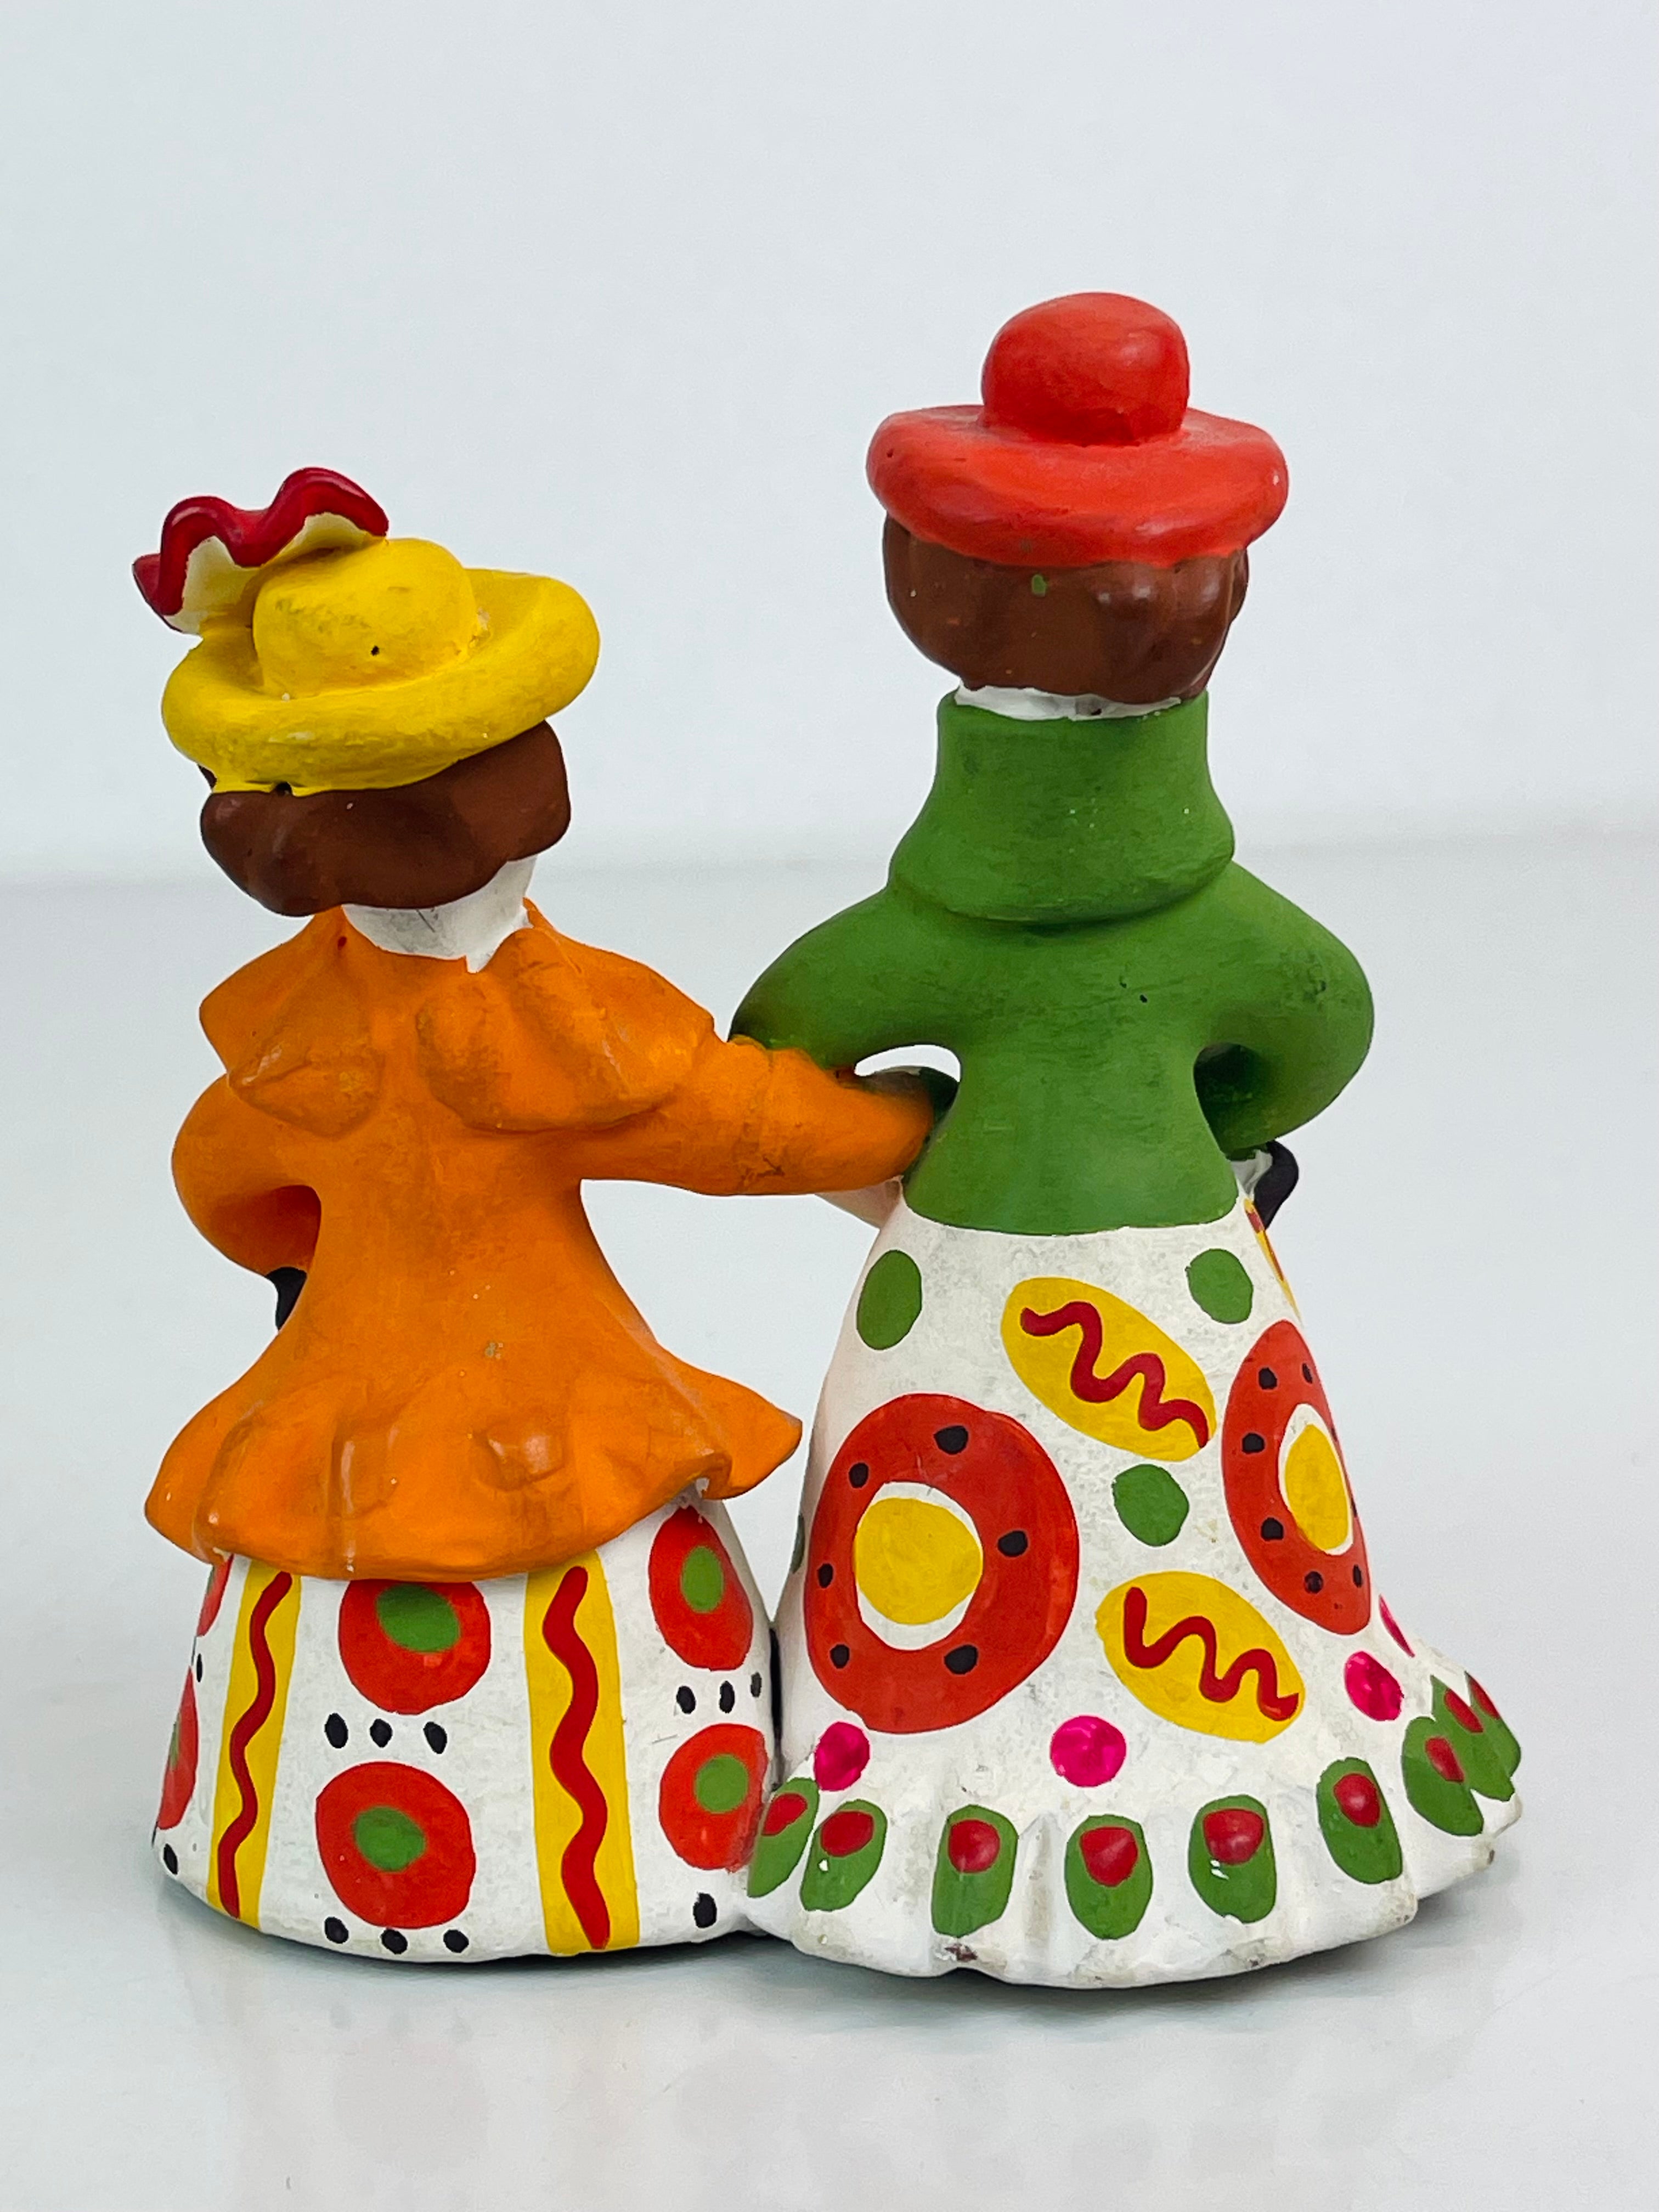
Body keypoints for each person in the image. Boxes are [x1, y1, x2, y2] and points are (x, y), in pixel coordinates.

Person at [733, 296, 1520, 1986]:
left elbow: (781, 1049)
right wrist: (1216, 1146)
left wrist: (911, 1164)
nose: (1148, 603)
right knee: (1185, 1509)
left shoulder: (936, 931)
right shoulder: (1203, 925)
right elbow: (1321, 1017)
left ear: (923, 584)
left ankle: (951, 1802)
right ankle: (1222, 1785)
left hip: (959, 1295)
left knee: (954, 1534)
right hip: (1182, 1276)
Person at [139, 469, 933, 1962]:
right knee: (587, 1643)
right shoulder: (545, 1035)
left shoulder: (293, 1041)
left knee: (333, 1642)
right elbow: (738, 1127)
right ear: (513, 794)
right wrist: (926, 1141)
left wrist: (304, 1270)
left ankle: (313, 1851)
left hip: (336, 1415)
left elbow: (221, 1178)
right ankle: (634, 1859)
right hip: (553, 1425)